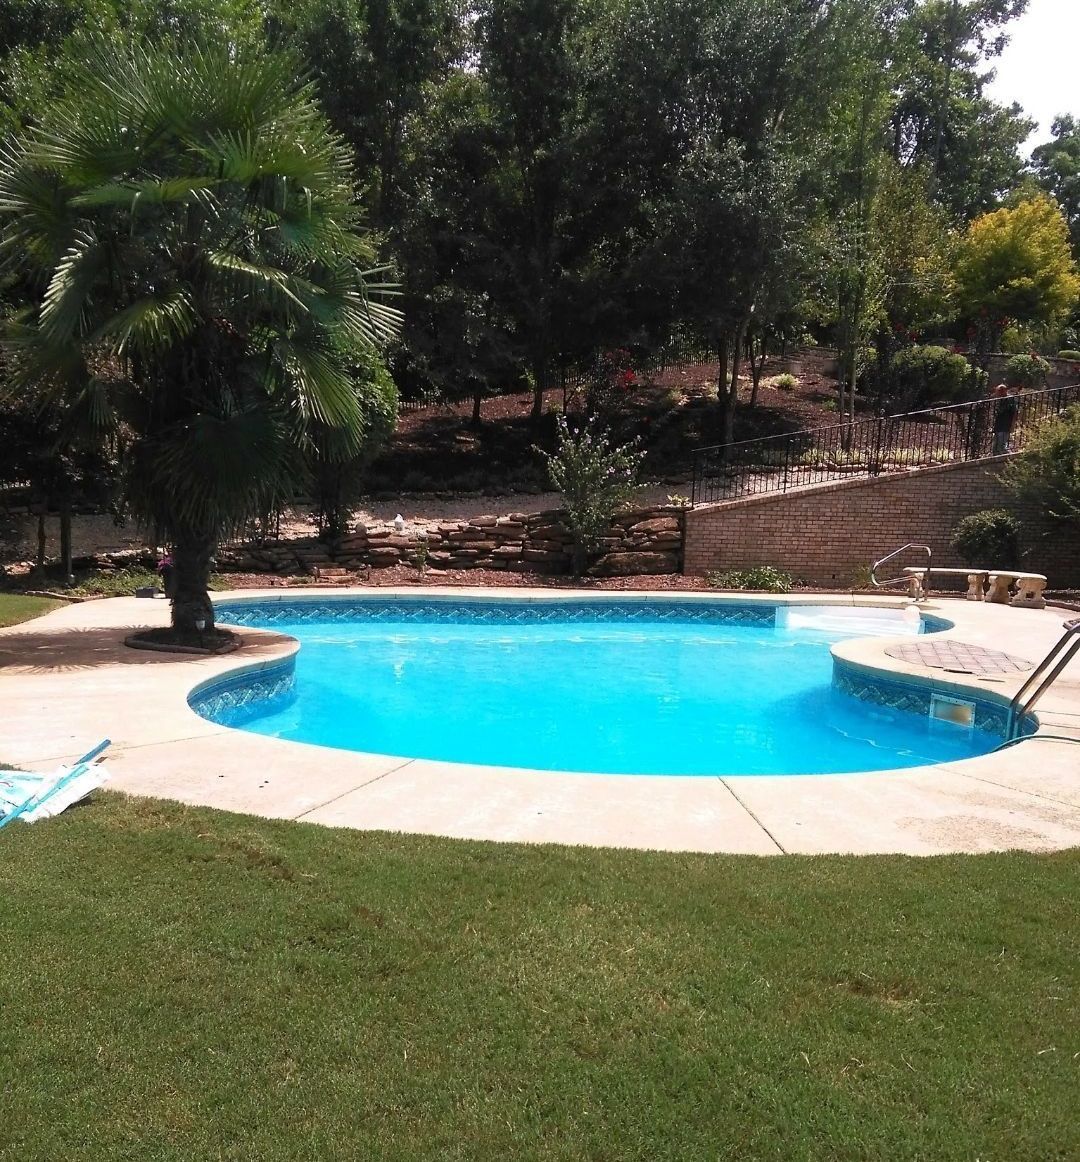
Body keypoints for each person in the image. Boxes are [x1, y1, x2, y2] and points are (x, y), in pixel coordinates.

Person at [992, 384, 1018, 455]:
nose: (998, 393)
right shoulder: (999, 400)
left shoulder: (1010, 399)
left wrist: (1012, 425)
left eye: (1000, 391)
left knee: (1002, 445)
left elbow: (1014, 412)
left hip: (1005, 424)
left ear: (1005, 391)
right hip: (998, 424)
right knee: (995, 446)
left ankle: (1008, 457)